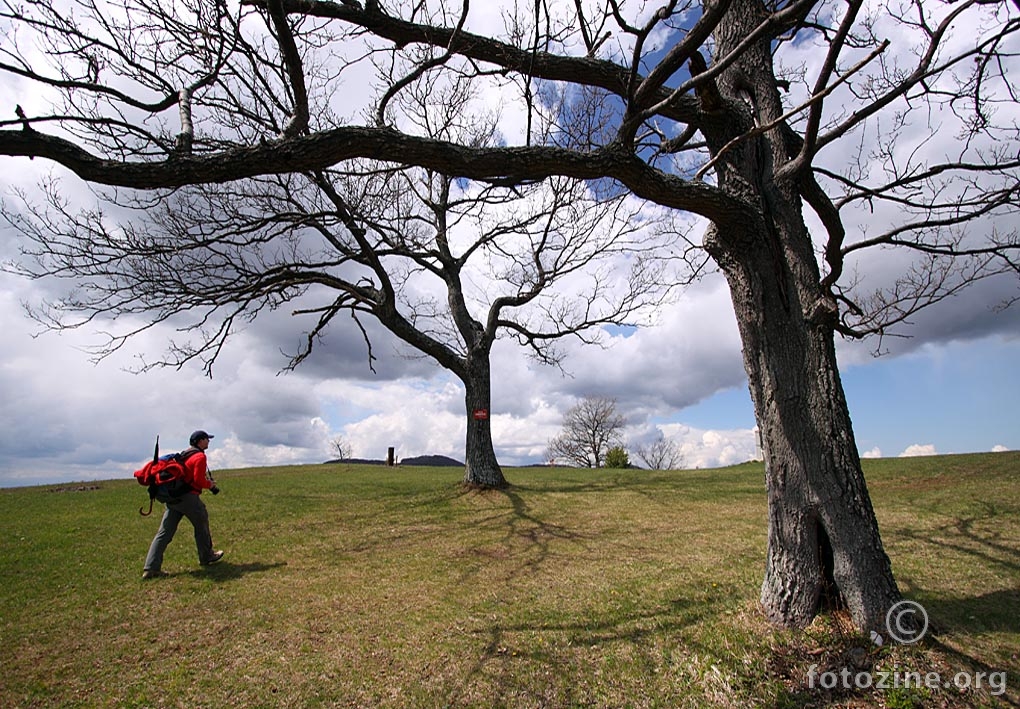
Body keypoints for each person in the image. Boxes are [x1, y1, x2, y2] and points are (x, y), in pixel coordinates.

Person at [142, 430, 225, 578]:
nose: (208, 442)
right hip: (188, 499)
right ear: (200, 441)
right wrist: (210, 485)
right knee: (201, 525)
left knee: (164, 533)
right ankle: (206, 556)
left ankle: (151, 567)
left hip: (173, 499)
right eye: (207, 439)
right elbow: (198, 480)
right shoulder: (199, 457)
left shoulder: (184, 454)